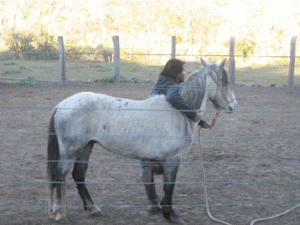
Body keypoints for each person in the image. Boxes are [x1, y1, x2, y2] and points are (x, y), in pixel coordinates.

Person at [140, 59, 210, 176]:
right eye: (184, 70)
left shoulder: (160, 83)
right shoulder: (173, 85)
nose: (185, 73)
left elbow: (177, 109)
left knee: (147, 169)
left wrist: (200, 122)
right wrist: (193, 114)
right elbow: (173, 99)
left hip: (148, 129)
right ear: (177, 75)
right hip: (159, 131)